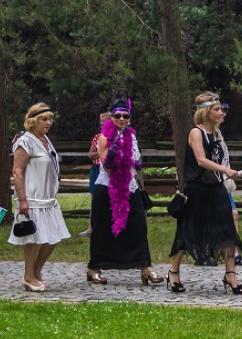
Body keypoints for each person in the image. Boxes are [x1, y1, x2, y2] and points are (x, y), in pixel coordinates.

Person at [167, 92, 242, 295]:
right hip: (197, 189)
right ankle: (173, 272)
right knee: (188, 233)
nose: (221, 112)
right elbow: (201, 160)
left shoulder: (217, 134)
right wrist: (225, 171)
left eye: (221, 109)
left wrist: (227, 172)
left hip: (217, 188)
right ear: (205, 112)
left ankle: (231, 274)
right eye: (216, 109)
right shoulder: (196, 133)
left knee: (228, 232)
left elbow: (220, 159)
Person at [85, 98, 162, 285]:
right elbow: (107, 165)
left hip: (130, 186)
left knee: (138, 225)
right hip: (107, 186)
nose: (121, 119)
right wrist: (114, 152)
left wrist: (133, 161)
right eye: (117, 115)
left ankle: (146, 267)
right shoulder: (104, 136)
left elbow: (138, 160)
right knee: (102, 227)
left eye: (125, 116)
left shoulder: (132, 136)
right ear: (111, 117)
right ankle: (94, 266)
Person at [9, 103, 70, 291]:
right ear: (32, 121)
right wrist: (22, 200)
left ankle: (36, 270)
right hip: (32, 198)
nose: (48, 122)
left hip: (49, 199)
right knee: (33, 239)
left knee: (54, 237)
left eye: (50, 119)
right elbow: (17, 171)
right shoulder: (25, 141)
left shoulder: (45, 139)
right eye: (44, 119)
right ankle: (29, 276)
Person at [81, 112, 112, 238]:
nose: (102, 123)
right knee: (95, 198)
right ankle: (91, 228)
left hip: (111, 169)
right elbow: (90, 155)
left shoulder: (116, 136)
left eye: (105, 121)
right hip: (96, 169)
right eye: (100, 121)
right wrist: (101, 152)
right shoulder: (97, 137)